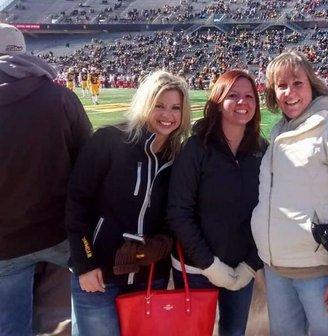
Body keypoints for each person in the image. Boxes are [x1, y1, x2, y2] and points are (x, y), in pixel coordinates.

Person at [250, 51, 328, 336]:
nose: (290, 92)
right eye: (281, 86)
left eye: (297, 83)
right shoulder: (279, 132)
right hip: (277, 270)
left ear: (313, 85)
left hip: (321, 274)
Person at [66, 70, 191, 336]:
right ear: (146, 103)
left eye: (175, 108)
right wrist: (85, 263)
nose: (167, 115)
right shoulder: (108, 140)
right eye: (159, 105)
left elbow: (178, 213)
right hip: (98, 275)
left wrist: (162, 243)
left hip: (149, 276)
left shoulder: (179, 156)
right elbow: (76, 203)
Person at [0, 23, 92, 335]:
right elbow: (88, 162)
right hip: (60, 232)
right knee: (89, 308)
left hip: (5, 242)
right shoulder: (61, 98)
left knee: (12, 326)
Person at [167, 70, 266, 336]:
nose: (242, 102)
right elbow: (179, 212)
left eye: (248, 96)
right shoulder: (196, 148)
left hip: (241, 268)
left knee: (234, 332)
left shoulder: (262, 149)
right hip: (196, 268)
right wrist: (209, 264)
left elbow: (270, 211)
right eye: (232, 95)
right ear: (217, 101)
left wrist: (251, 263)